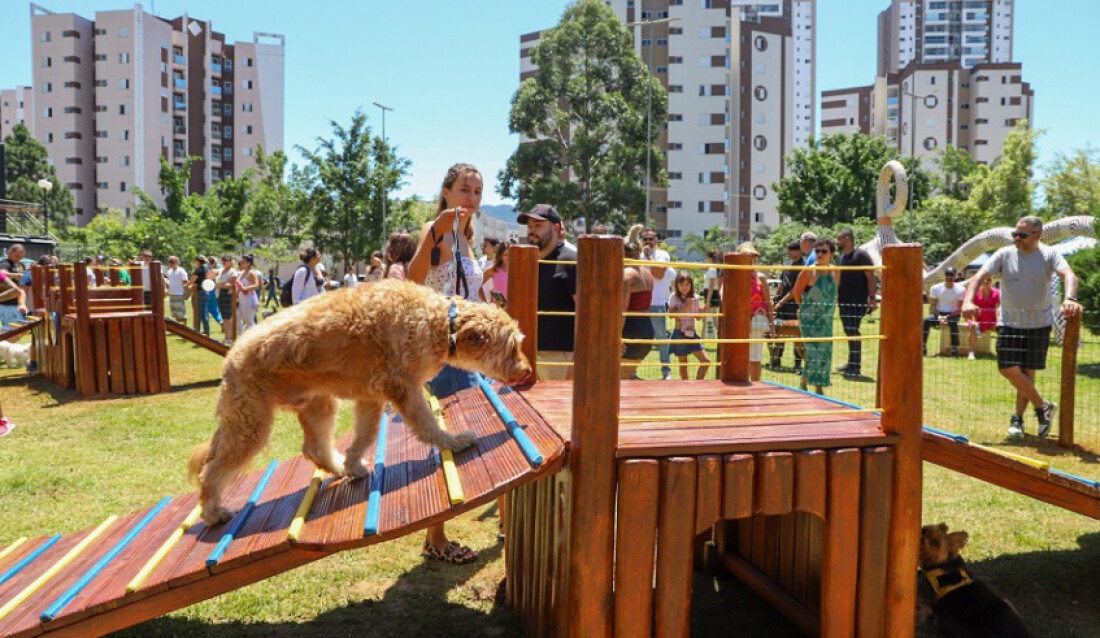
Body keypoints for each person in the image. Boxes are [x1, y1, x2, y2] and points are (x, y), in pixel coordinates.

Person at [408, 162, 485, 566]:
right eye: (464, 190)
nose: (471, 198)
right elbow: (413, 277)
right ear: (446, 192)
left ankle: (435, 534)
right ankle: (436, 537)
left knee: (461, 433)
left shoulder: (468, 236)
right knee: (453, 438)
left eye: (477, 191)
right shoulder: (435, 229)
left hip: (470, 348)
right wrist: (437, 230)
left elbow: (474, 292)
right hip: (444, 348)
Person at [962, 216, 1082, 439]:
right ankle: (1043, 406)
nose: (1016, 238)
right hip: (1009, 322)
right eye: (1015, 234)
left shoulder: (1049, 254)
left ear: (1037, 235)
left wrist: (1070, 298)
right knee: (1007, 368)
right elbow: (978, 277)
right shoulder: (1004, 254)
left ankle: (1018, 420)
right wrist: (968, 301)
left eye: (1022, 235)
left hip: (1039, 324)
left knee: (1027, 374)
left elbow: (1069, 275)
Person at [518, 204, 577, 381]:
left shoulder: (570, 260)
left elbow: (587, 312)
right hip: (530, 353)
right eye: (530, 226)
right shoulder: (531, 261)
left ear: (556, 228)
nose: (532, 231)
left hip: (561, 356)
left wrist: (577, 359)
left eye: (538, 226)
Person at [793, 239, 838, 394]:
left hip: (826, 318)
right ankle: (816, 386)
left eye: (824, 251)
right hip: (810, 319)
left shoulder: (836, 271)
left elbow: (835, 292)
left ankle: (806, 382)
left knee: (825, 350)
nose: (820, 254)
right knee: (812, 350)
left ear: (832, 254)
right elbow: (796, 292)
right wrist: (806, 309)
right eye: (817, 251)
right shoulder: (809, 271)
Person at [836, 229, 877, 377]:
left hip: (857, 301)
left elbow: (870, 277)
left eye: (839, 239)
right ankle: (851, 362)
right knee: (848, 331)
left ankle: (856, 366)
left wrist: (872, 298)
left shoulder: (861, 255)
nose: (837, 242)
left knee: (853, 330)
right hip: (844, 300)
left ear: (847, 238)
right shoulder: (842, 257)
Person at [736, 242, 775, 382]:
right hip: (739, 323)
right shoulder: (734, 275)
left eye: (752, 256)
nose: (750, 259)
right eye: (745, 256)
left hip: (756, 322)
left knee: (755, 357)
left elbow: (767, 302)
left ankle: (755, 386)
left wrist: (772, 326)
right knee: (739, 358)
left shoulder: (760, 278)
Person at [621, 225, 655, 379]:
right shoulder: (648, 274)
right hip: (646, 329)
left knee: (620, 380)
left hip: (630, 330)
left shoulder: (626, 275)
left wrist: (617, 336)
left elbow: (622, 309)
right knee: (628, 377)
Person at [641, 228, 675, 380]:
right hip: (640, 302)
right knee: (636, 337)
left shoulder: (662, 255)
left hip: (657, 303)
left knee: (661, 338)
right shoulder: (638, 255)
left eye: (651, 239)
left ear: (656, 240)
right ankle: (630, 371)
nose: (648, 242)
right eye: (645, 239)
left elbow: (659, 273)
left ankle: (666, 371)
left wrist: (648, 256)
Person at [769, 240, 805, 372]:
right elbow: (782, 283)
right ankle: (776, 359)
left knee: (797, 334)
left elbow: (795, 289)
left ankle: (798, 363)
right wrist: (776, 298)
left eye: (792, 250)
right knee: (779, 333)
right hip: (782, 303)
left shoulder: (802, 266)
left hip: (794, 303)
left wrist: (781, 302)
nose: (789, 253)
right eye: (788, 250)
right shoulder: (787, 264)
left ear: (799, 251)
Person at [668, 271, 711, 379]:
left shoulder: (695, 298)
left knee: (706, 361)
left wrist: (703, 311)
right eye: (682, 284)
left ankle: (697, 384)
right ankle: (685, 386)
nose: (684, 287)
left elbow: (698, 318)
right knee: (683, 364)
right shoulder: (674, 297)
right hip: (680, 333)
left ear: (691, 285)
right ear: (677, 285)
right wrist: (686, 306)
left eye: (687, 284)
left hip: (692, 333)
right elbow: (671, 315)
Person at [922, 266, 964, 357]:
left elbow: (959, 309)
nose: (949, 277)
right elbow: (933, 306)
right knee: (926, 321)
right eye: (947, 275)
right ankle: (923, 346)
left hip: (953, 314)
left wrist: (947, 317)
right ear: (944, 275)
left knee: (953, 323)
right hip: (938, 313)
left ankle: (954, 348)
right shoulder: (935, 288)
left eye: (951, 275)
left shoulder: (961, 290)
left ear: (955, 276)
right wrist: (939, 316)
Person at [966, 278, 1001, 360]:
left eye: (988, 280)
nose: (986, 282)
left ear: (991, 282)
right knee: (973, 328)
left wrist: (998, 320)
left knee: (1002, 329)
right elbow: (973, 308)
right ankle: (971, 352)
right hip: (977, 319)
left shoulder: (997, 293)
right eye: (984, 281)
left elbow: (998, 308)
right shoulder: (975, 293)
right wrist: (974, 322)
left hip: (992, 320)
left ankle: (1001, 353)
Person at [0, 244, 27, 328]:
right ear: (10, 253)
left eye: (21, 257)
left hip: (16, 302)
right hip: (7, 303)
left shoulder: (20, 264)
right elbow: (2, 273)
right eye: (17, 256)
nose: (19, 259)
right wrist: (15, 275)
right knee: (13, 328)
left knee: (18, 327)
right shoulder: (5, 263)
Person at [235, 255, 262, 335]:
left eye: (243, 262)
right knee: (237, 318)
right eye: (241, 262)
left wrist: (245, 288)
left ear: (249, 263)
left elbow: (256, 285)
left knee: (248, 320)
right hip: (241, 298)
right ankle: (242, 336)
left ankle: (256, 336)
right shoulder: (242, 272)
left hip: (249, 298)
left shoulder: (251, 273)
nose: (241, 263)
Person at [479, 241, 510, 306]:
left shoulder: (517, 270)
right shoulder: (493, 269)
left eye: (511, 254)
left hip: (514, 308)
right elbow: (477, 285)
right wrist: (485, 303)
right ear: (500, 256)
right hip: (497, 309)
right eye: (505, 255)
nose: (509, 257)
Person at [215, 255, 239, 337]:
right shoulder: (220, 270)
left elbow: (232, 284)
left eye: (226, 260)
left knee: (229, 317)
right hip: (220, 294)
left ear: (230, 261)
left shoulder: (232, 271)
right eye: (223, 260)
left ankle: (230, 336)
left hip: (228, 295)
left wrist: (220, 284)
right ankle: (227, 336)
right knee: (224, 317)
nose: (224, 262)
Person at [702, 250, 723, 339]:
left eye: (707, 258)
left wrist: (708, 300)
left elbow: (711, 285)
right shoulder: (715, 269)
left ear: (711, 259)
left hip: (711, 295)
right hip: (712, 294)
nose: (705, 260)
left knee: (706, 319)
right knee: (713, 319)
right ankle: (722, 335)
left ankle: (702, 340)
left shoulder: (712, 269)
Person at [187, 255, 210, 335]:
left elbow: (192, 280)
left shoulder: (198, 269)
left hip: (199, 293)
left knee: (197, 313)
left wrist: (186, 285)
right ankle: (206, 331)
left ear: (197, 261)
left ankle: (197, 331)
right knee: (204, 313)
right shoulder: (206, 268)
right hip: (205, 292)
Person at [165, 256, 189, 323]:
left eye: (172, 262)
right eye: (170, 262)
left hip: (179, 294)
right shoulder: (169, 271)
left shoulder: (181, 271)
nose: (171, 263)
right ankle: (178, 326)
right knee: (175, 313)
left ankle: (184, 327)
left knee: (181, 314)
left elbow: (185, 282)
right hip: (172, 294)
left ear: (177, 262)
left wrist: (186, 294)